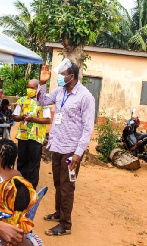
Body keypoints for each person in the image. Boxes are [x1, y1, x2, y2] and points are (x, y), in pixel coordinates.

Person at [37, 61, 95, 236]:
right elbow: (42, 101)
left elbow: (87, 127)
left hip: (72, 150)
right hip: (57, 146)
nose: (60, 77)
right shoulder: (60, 92)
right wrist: (42, 83)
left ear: (72, 76)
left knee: (67, 186)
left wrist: (78, 153)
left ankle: (65, 225)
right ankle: (59, 213)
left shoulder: (85, 97)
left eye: (63, 74)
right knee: (57, 183)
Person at [13, 79, 51, 189]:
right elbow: (15, 116)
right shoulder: (22, 100)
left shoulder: (43, 102)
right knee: (21, 162)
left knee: (34, 164)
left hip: (36, 137)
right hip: (23, 136)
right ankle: (20, 186)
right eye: (28, 87)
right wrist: (21, 117)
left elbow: (48, 120)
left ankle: (31, 188)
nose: (29, 90)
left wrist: (33, 119)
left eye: (32, 88)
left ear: (38, 89)